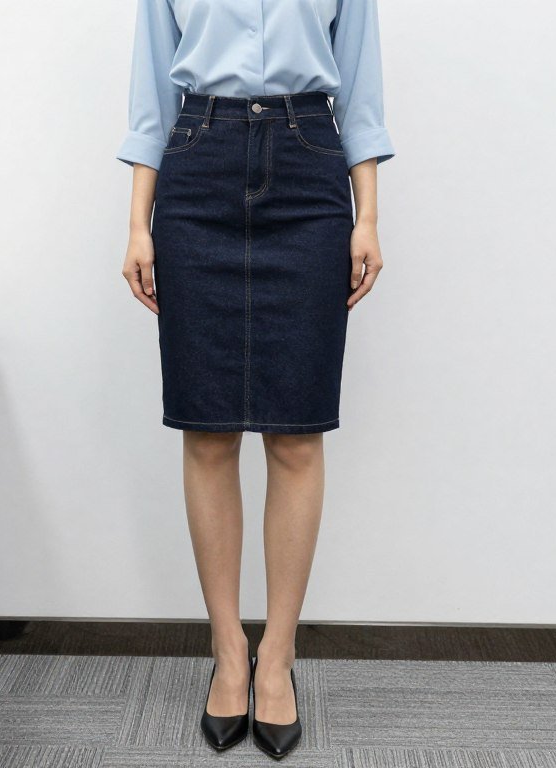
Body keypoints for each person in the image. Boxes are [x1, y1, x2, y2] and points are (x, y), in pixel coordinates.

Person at [116, 0, 395, 758]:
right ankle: (228, 651)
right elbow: (151, 91)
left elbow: (361, 89)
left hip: (309, 167)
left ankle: (278, 655)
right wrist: (138, 223)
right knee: (208, 429)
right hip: (196, 163)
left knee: (296, 433)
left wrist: (367, 215)